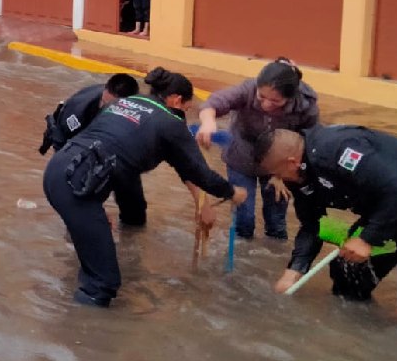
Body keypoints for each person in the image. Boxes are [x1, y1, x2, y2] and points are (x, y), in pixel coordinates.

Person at [44, 67, 246, 307]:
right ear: (176, 100)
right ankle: (77, 325)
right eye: (187, 108)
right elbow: (200, 173)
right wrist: (232, 192)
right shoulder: (170, 123)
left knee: (123, 227)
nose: (185, 114)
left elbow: (175, 163)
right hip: (78, 189)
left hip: (61, 171)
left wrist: (201, 203)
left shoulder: (125, 102)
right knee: (103, 284)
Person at [257, 127, 397, 333]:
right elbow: (311, 225)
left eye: (276, 174)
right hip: (387, 211)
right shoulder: (299, 175)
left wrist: (367, 239)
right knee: (348, 274)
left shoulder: (339, 151)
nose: (276, 179)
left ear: (291, 162)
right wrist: (295, 270)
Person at [197, 58, 318, 240]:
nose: (266, 105)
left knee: (276, 220)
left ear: (290, 97)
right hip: (242, 156)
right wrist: (208, 122)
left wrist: (280, 175)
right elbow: (214, 102)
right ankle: (242, 249)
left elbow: (308, 141)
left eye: (275, 101)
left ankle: (276, 253)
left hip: (280, 164)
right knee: (244, 218)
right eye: (261, 97)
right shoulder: (247, 89)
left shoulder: (305, 106)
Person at [39, 74, 145, 225]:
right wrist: (94, 209)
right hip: (73, 141)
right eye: (104, 102)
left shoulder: (140, 112)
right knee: (80, 203)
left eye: (110, 107)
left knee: (135, 211)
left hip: (113, 145)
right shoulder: (78, 111)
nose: (103, 107)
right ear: (105, 91)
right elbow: (64, 153)